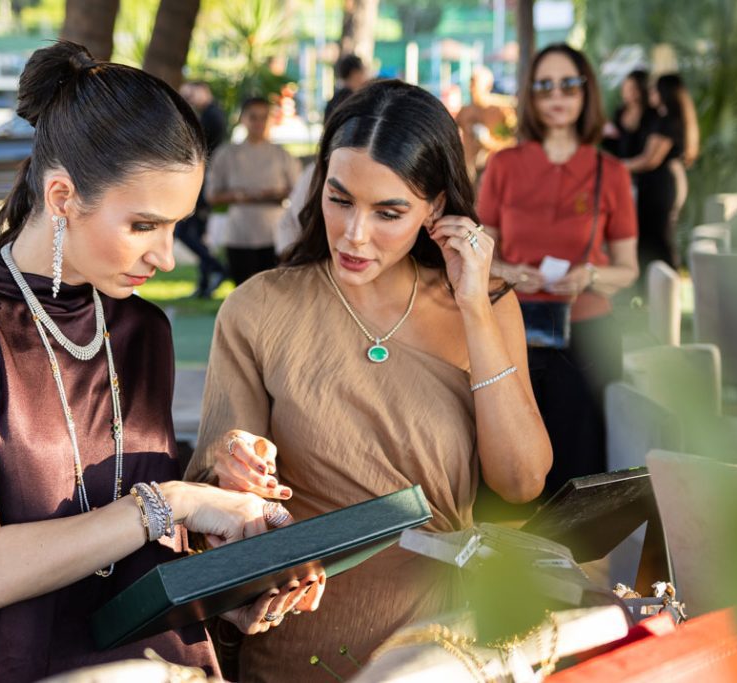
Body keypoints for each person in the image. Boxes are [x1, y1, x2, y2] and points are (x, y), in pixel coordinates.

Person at [0, 42, 321, 683]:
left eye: (177, 226)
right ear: (62, 196)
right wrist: (171, 501)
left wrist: (226, 590)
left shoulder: (143, 329)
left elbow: (140, 561)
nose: (167, 258)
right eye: (145, 225)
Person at [187, 79, 552, 683]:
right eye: (339, 199)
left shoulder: (484, 307)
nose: (354, 234)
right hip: (298, 640)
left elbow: (520, 482)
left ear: (436, 208)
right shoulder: (257, 309)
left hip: (444, 647)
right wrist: (234, 465)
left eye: (388, 212)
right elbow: (218, 496)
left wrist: (475, 312)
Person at [478, 43, 639, 497]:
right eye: (544, 85)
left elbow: (626, 269)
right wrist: (510, 271)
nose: (557, 95)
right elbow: (481, 249)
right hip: (511, 327)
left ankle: (571, 565)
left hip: (586, 334)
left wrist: (589, 276)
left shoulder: (610, 172)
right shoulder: (504, 165)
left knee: (578, 469)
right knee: (507, 465)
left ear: (586, 92)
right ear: (529, 95)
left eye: (568, 84)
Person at [205, 96, 301, 286]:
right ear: (243, 119)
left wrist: (275, 193)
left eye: (263, 117)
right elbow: (211, 195)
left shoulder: (282, 155)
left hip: (274, 233)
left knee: (274, 292)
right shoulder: (227, 154)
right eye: (253, 117)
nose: (258, 123)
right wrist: (241, 195)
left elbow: (298, 192)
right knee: (243, 290)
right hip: (240, 232)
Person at [623, 72, 692, 271]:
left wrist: (618, 166)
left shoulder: (668, 121)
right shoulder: (660, 118)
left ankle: (669, 284)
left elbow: (650, 160)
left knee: (660, 236)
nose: (650, 93)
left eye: (654, 89)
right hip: (654, 184)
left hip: (661, 186)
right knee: (650, 236)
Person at [176, 81, 227, 298]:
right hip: (202, 183)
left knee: (185, 232)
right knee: (196, 234)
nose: (189, 99)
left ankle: (219, 269)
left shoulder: (211, 116)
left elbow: (197, 148)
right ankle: (205, 283)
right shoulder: (209, 114)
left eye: (191, 94)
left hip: (203, 186)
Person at [455, 66, 518, 184]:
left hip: (494, 172)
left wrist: (490, 142)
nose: (471, 87)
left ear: (487, 86)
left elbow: (515, 142)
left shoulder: (502, 110)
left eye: (474, 82)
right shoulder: (465, 111)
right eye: (470, 81)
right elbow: (449, 135)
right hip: (469, 173)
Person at [602, 69, 653, 163]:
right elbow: (614, 147)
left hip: (646, 171)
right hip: (623, 169)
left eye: (631, 88)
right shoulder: (620, 112)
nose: (625, 92)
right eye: (624, 87)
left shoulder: (652, 115)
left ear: (642, 89)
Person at [324, 54, 369, 121]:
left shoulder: (334, 99)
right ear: (355, 73)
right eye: (363, 71)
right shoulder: (355, 100)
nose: (366, 77)